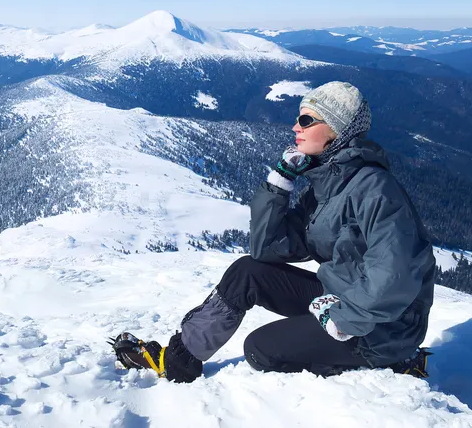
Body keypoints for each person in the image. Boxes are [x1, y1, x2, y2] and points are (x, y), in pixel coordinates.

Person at [111, 81, 436, 382]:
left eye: (307, 120)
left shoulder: (375, 188)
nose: (296, 127)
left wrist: (344, 319)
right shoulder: (326, 190)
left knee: (261, 349)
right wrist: (279, 183)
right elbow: (266, 249)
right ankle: (178, 361)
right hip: (340, 300)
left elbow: (397, 273)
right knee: (246, 273)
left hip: (381, 329)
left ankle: (393, 364)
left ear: (337, 130)